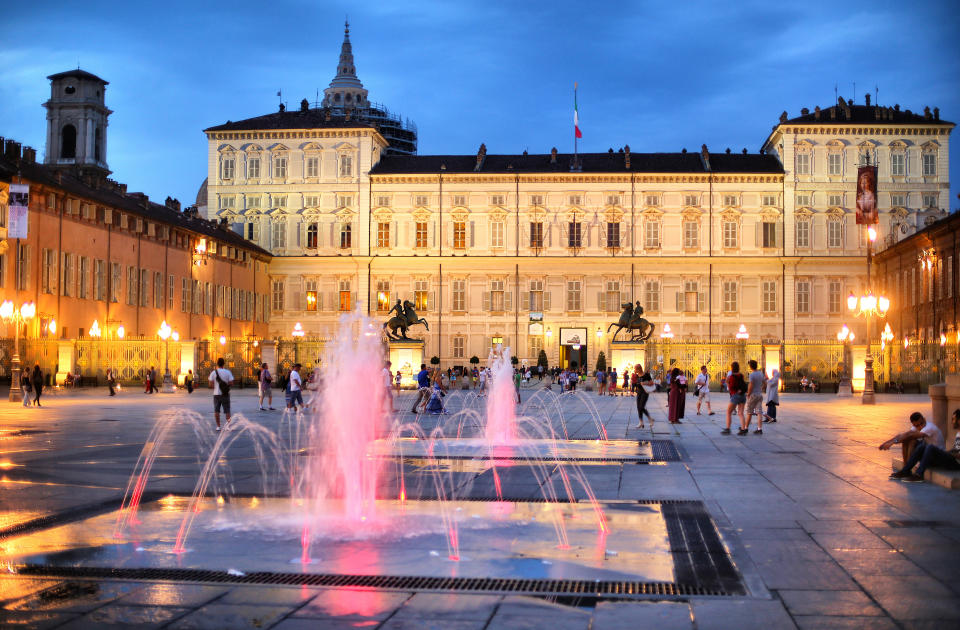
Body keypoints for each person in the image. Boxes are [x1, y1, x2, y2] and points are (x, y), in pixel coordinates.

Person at [891, 409, 960, 482]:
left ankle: (919, 475)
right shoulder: (958, 433)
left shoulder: (930, 427)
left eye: (953, 419)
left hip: (956, 464)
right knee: (922, 446)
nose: (951, 421)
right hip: (950, 460)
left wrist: (947, 453)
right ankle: (906, 471)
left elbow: (958, 454)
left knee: (930, 447)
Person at [879, 411, 945, 464]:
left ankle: (907, 469)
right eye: (917, 426)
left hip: (936, 457)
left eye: (921, 424)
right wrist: (886, 442)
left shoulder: (929, 427)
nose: (920, 427)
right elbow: (904, 435)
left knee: (912, 440)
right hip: (927, 452)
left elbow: (910, 436)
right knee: (906, 440)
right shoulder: (917, 426)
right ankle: (906, 467)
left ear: (924, 419)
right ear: (913, 424)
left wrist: (892, 443)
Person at [208, 358, 234, 431]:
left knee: (216, 411)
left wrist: (215, 386)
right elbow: (232, 383)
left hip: (216, 394)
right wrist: (225, 386)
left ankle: (218, 426)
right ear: (224, 363)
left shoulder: (213, 372)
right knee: (227, 410)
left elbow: (210, 385)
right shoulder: (228, 372)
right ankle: (228, 426)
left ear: (217, 364)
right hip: (225, 394)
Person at [723, 362, 747, 435]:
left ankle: (728, 428)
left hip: (735, 395)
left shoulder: (731, 377)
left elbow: (731, 387)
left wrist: (728, 383)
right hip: (743, 395)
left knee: (728, 412)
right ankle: (743, 429)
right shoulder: (741, 375)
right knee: (741, 413)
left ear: (732, 368)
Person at [744, 360, 767, 434]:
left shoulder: (752, 374)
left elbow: (751, 385)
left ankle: (746, 428)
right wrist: (761, 388)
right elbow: (765, 383)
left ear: (750, 366)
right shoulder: (761, 373)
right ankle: (759, 429)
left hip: (753, 395)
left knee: (749, 412)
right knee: (759, 412)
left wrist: (748, 393)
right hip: (759, 395)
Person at [635, 365, 654, 429]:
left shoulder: (646, 375)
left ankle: (650, 419)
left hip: (645, 392)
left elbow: (652, 383)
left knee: (641, 407)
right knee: (638, 407)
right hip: (639, 393)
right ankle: (641, 422)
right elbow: (637, 384)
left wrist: (645, 383)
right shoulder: (637, 375)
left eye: (636, 369)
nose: (635, 370)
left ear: (639, 369)